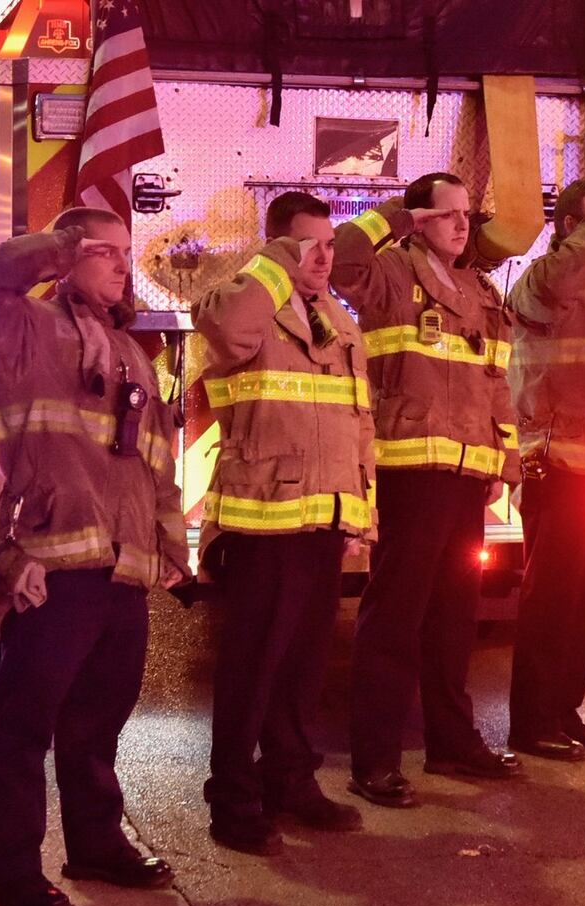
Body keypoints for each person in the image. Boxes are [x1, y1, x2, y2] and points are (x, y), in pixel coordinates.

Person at [0, 207, 190, 906]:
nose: (123, 266)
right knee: (25, 728)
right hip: (51, 564)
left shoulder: (130, 351)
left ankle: (95, 844)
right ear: (70, 258)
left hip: (121, 568)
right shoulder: (27, 330)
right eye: (105, 252)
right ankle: (14, 874)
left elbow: (156, 462)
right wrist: (57, 247)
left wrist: (170, 544)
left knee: (98, 723)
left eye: (126, 252)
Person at [331, 172, 524, 809]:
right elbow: (343, 255)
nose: (461, 224)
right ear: (419, 221)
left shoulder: (478, 288)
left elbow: (495, 379)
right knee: (394, 617)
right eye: (446, 214)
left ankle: (451, 741)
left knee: (452, 616)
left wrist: (507, 456)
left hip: (466, 477)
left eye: (466, 213)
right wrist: (399, 216)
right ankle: (375, 760)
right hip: (409, 473)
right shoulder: (390, 273)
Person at [192, 191, 376, 855]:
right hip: (262, 520)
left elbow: (358, 420)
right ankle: (232, 798)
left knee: (302, 666)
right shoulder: (242, 302)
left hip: (321, 519)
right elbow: (228, 329)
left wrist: (361, 510)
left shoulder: (335, 319)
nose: (325, 257)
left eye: (330, 244)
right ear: (276, 247)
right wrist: (274, 266)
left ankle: (291, 781)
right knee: (252, 669)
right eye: (309, 244)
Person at [504, 178, 585, 761]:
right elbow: (559, 278)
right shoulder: (541, 284)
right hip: (555, 465)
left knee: (583, 602)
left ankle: (563, 709)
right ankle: (531, 723)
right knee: (550, 599)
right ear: (569, 229)